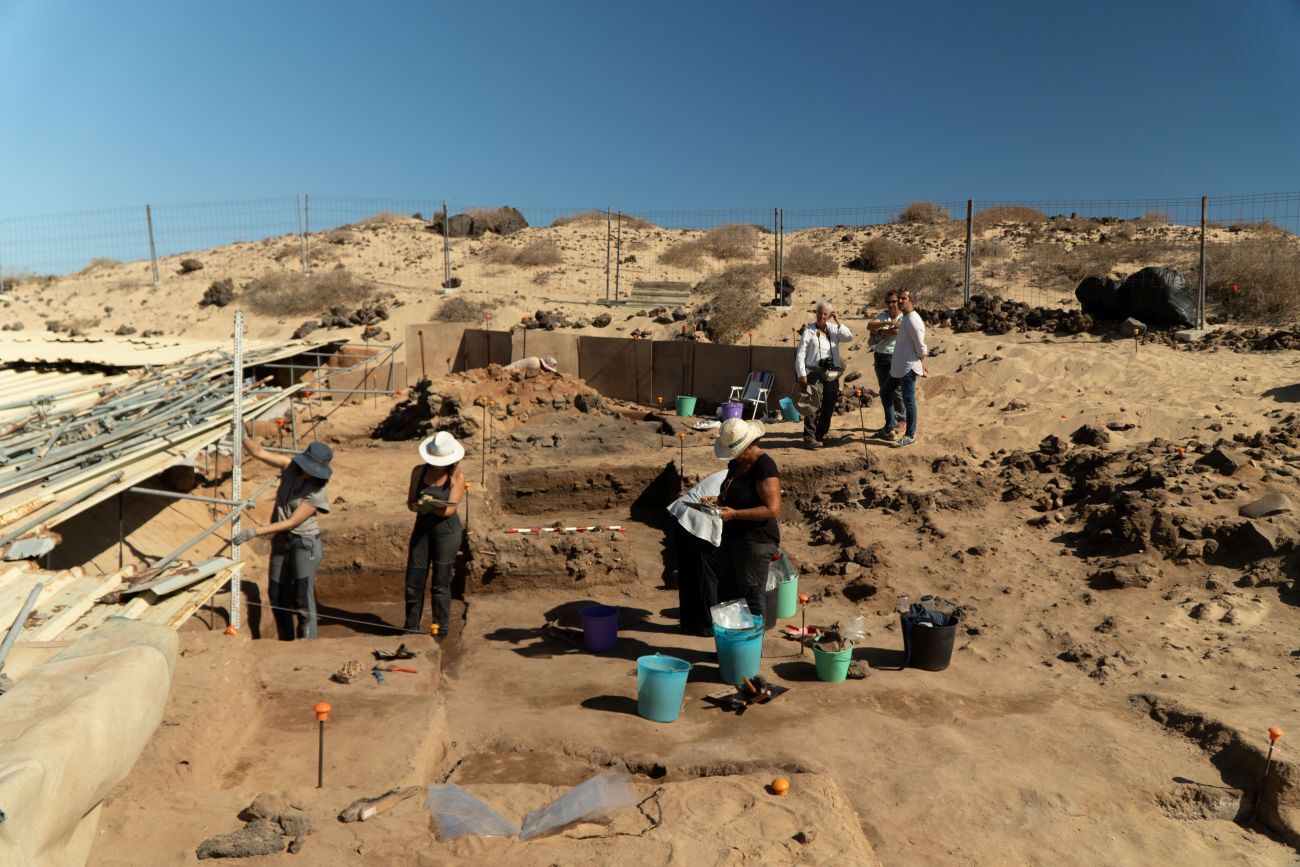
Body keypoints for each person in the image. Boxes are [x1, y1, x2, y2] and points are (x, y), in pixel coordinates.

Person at [237, 437, 332, 640]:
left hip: (304, 544)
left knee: (302, 599)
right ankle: (286, 643)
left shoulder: (318, 492)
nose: (308, 472)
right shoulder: (289, 467)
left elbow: (291, 522)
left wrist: (255, 532)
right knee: (277, 594)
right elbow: (258, 453)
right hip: (281, 541)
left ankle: (306, 646)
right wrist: (241, 431)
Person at [714, 418, 781, 622]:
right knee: (729, 593)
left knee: (751, 595)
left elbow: (772, 509)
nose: (734, 457)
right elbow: (737, 495)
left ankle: (749, 650)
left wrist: (734, 514)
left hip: (755, 542)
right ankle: (731, 650)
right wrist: (717, 501)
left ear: (748, 446)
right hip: (733, 539)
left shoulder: (764, 467)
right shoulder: (737, 463)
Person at [403, 430, 466, 641]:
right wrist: (419, 505)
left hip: (446, 531)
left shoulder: (457, 476)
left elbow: (450, 510)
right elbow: (411, 503)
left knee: (441, 582)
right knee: (414, 579)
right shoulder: (418, 472)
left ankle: (440, 630)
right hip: (422, 528)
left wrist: (430, 507)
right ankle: (410, 627)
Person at [666, 469, 727, 636]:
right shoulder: (740, 481)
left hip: (682, 516)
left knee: (689, 574)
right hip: (697, 519)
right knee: (706, 576)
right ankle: (707, 626)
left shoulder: (731, 474)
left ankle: (690, 624)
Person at [795, 300, 853, 449]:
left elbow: (849, 337)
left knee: (828, 405)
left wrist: (838, 320)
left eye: (825, 314)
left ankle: (821, 435)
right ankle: (809, 438)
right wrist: (802, 373)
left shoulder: (834, 329)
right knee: (813, 405)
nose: (822, 316)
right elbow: (800, 354)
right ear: (816, 314)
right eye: (819, 313)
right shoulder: (809, 331)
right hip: (814, 372)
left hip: (832, 373)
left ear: (829, 315)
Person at [882, 290, 928, 447]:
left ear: (911, 301)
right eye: (899, 299)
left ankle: (910, 435)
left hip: (908, 368)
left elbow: (921, 348)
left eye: (904, 299)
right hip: (897, 368)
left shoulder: (914, 320)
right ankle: (889, 428)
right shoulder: (906, 319)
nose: (900, 301)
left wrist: (921, 364)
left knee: (909, 403)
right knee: (885, 392)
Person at [867, 290, 906, 439]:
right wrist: (887, 323)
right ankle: (890, 423)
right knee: (884, 392)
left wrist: (880, 330)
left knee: (896, 390)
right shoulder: (884, 316)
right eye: (888, 302)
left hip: (894, 357)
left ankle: (902, 420)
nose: (891, 304)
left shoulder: (903, 316)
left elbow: (897, 331)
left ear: (899, 302)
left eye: (894, 301)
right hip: (880, 356)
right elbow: (870, 326)